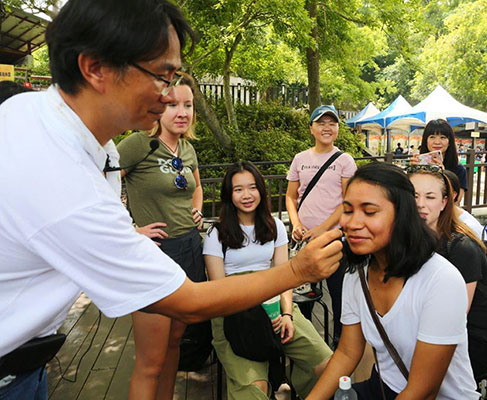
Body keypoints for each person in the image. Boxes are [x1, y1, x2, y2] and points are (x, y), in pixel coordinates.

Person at [0, 1, 342, 398]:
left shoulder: (33, 116)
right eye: (162, 76)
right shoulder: (63, 180)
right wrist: (299, 271)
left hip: (27, 362)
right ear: (95, 68)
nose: (169, 98)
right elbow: (190, 302)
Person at [307, 162, 480, 400]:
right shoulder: (356, 272)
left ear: (402, 216)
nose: (353, 223)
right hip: (383, 387)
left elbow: (423, 391)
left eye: (369, 212)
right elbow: (347, 352)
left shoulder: (441, 280)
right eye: (347, 210)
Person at [204, 161, 332, 399]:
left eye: (252, 187)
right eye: (238, 189)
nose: (246, 195)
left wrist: (286, 315)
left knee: (327, 366)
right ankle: (272, 379)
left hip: (276, 307)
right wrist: (260, 312)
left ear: (261, 191)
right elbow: (218, 290)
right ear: (229, 194)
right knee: (254, 390)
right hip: (235, 316)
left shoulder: (275, 226)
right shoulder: (216, 233)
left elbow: (285, 276)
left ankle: (294, 385)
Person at [116, 72, 207, 399]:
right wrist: (128, 230)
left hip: (189, 250)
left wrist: (197, 209)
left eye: (188, 105)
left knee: (174, 344)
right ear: (158, 107)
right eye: (173, 105)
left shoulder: (187, 148)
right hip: (153, 255)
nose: (182, 112)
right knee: (150, 361)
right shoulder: (137, 144)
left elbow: (197, 188)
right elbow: (96, 183)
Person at [408, 165, 487, 380]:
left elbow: (456, 317)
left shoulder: (462, 249)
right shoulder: (406, 241)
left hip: (466, 340)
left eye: (430, 197)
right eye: (414, 195)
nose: (420, 204)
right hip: (417, 328)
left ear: (444, 202)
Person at [285, 105, 357, 343]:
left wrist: (323, 228)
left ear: (337, 129)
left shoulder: (345, 161)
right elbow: (291, 196)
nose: (327, 127)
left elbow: (348, 200)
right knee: (303, 294)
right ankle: (304, 341)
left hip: (334, 239)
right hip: (304, 240)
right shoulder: (300, 159)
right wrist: (296, 224)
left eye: (332, 123)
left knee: (338, 293)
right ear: (311, 129)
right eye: (321, 123)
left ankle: (340, 341)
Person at [410, 119, 468, 203]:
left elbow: (456, 202)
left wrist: (442, 174)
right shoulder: (417, 165)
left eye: (442, 137)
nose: (437, 142)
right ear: (425, 141)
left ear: (449, 142)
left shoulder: (459, 170)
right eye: (432, 137)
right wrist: (412, 171)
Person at [443, 170, 486, 239]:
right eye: (418, 196)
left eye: (430, 197)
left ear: (452, 195)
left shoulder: (468, 228)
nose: (421, 203)